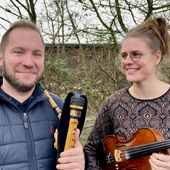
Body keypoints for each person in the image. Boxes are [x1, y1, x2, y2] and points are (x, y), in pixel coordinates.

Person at [84, 14, 170, 170]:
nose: (128, 61)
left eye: (136, 54)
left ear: (157, 57)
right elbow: (90, 151)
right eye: (124, 55)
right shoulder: (113, 103)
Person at [0, 20, 88, 170]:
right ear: (1, 58)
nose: (28, 62)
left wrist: (82, 162)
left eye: (37, 54)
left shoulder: (58, 107)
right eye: (19, 52)